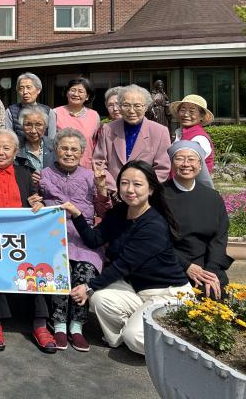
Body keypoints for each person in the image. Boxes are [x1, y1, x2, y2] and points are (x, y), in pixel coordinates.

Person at [60, 161, 192, 355]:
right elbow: (94, 239)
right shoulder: (120, 212)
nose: (130, 189)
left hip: (166, 294)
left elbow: (123, 266)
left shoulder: (154, 225)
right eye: (124, 183)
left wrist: (88, 287)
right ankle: (136, 329)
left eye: (137, 184)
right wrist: (77, 215)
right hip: (136, 291)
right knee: (99, 298)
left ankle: (180, 348)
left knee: (135, 337)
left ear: (151, 190)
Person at [0, 130, 57, 353]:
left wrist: (38, 205)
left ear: (16, 152)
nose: (0, 152)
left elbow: (35, 201)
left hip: (22, 237)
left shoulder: (25, 173)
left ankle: (40, 324)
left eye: (6, 148)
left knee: (39, 264)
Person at [36, 128, 105, 352]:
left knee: (84, 271)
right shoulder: (44, 173)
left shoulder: (89, 176)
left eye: (74, 149)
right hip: (53, 234)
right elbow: (34, 198)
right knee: (59, 270)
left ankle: (76, 326)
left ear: (81, 153)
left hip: (83, 234)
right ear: (56, 150)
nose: (68, 153)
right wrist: (34, 201)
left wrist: (102, 187)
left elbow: (104, 208)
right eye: (64, 148)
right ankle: (58, 324)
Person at [164, 140, 231, 298]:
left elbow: (219, 238)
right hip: (172, 263)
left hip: (206, 263)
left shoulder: (213, 197)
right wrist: (186, 266)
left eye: (192, 159)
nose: (186, 164)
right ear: (172, 164)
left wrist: (212, 269)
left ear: (200, 165)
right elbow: (156, 240)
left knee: (216, 294)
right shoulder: (159, 195)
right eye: (180, 158)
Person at [93, 84, 171, 197]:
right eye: (126, 105)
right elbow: (99, 162)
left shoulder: (159, 131)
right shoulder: (108, 129)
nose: (131, 110)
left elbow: (162, 168)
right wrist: (115, 189)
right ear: (120, 106)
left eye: (137, 106)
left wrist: (142, 190)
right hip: (113, 194)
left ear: (146, 107)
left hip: (144, 197)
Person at [53, 78, 100, 169]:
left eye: (80, 91)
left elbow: (95, 143)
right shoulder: (55, 113)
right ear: (67, 93)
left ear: (87, 96)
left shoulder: (94, 116)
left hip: (86, 167)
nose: (76, 94)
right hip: (61, 166)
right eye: (73, 90)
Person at [168, 94, 215, 181]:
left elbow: (190, 167)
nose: (186, 114)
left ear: (201, 116)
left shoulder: (199, 138)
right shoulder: (179, 132)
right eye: (183, 110)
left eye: (192, 111)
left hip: (191, 188)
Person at [4, 72, 55, 143]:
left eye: (29, 87)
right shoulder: (10, 111)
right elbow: (9, 138)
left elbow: (51, 140)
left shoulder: (49, 112)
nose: (25, 92)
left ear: (38, 90)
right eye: (21, 88)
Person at [15, 106, 55, 180]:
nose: (33, 131)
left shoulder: (55, 147)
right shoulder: (15, 149)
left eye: (38, 124)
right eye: (28, 125)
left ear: (45, 126)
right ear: (22, 127)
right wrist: (27, 178)